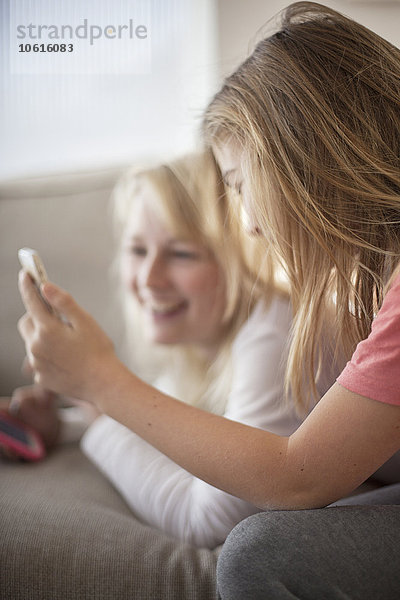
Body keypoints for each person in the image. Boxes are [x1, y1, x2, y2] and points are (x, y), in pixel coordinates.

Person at [16, 2, 400, 596]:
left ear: (299, 162)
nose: (249, 225)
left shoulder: (283, 326)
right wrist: (81, 414)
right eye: (137, 250)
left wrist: (100, 382)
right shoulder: (375, 287)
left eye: (244, 186)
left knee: (256, 554)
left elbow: (291, 479)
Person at [10, 150, 338, 549]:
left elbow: (208, 521)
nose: (149, 278)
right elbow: (173, 438)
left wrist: (94, 399)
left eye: (182, 253)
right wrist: (66, 424)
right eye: (137, 250)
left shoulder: (275, 331)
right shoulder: (196, 350)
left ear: (241, 258)